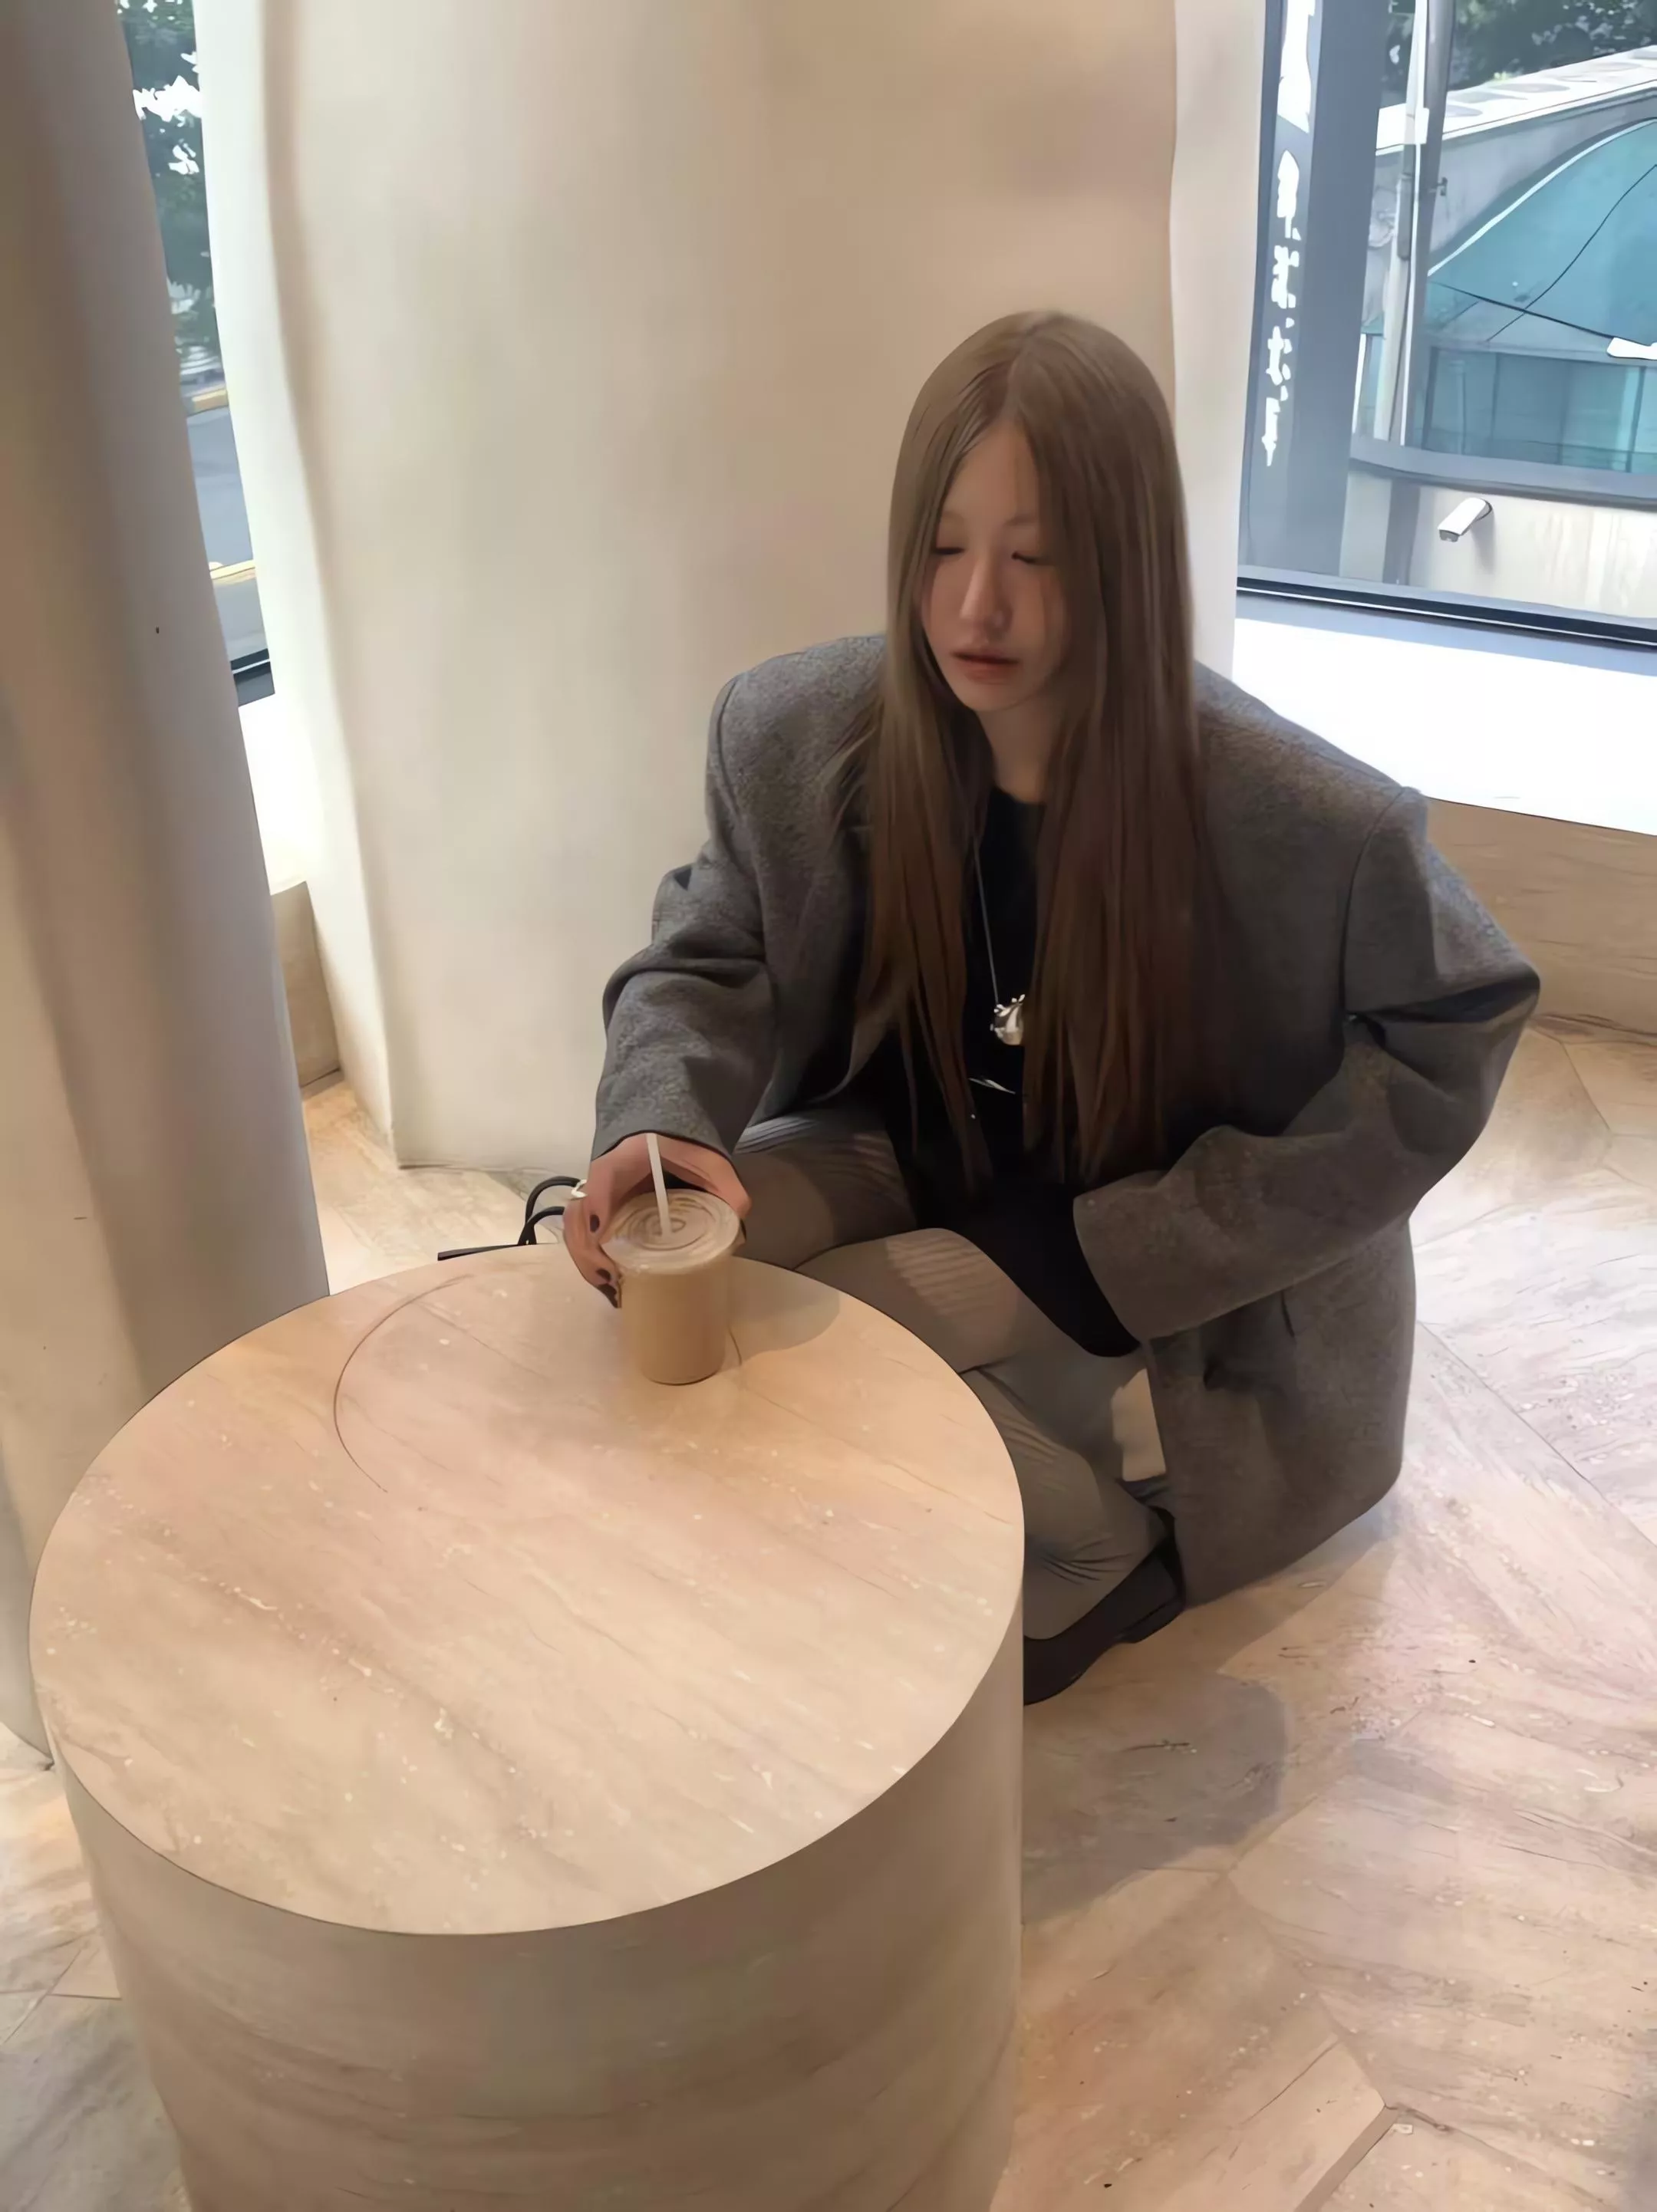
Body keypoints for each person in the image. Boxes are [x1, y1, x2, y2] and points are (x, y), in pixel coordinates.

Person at [565, 311, 1537, 1705]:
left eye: (1036, 558)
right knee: (671, 1277)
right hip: (916, 1148)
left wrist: (1199, 1230)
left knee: (824, 1335)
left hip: (1123, 1217)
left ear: (1125, 564)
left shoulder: (1304, 818)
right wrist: (654, 1127)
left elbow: (1458, 1024)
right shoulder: (799, 731)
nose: (976, 609)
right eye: (942, 547)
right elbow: (710, 953)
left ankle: (1094, 1550)